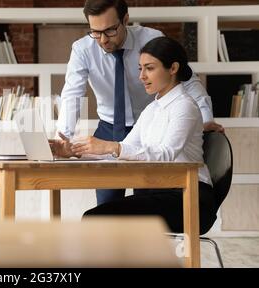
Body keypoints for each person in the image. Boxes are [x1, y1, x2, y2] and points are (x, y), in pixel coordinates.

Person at [51, 0, 223, 207]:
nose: (103, 40)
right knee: (107, 204)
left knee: (146, 197)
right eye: (95, 32)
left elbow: (188, 79)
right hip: (110, 126)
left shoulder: (151, 40)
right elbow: (72, 94)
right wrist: (65, 140)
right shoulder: (83, 49)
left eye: (110, 30)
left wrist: (205, 117)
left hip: (152, 127)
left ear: (125, 20)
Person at [73, 36, 217, 234]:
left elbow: (165, 155)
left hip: (189, 197)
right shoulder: (152, 109)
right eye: (140, 68)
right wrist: (75, 151)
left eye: (149, 68)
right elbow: (125, 150)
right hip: (160, 192)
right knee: (97, 217)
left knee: (96, 219)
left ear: (173, 68)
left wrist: (111, 146)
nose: (141, 76)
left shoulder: (185, 106)